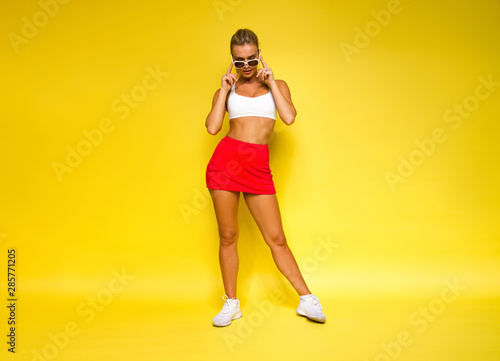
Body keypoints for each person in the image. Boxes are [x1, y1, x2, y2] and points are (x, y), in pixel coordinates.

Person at [205, 28, 326, 327]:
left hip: (257, 166)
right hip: (225, 164)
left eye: (251, 59)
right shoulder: (227, 88)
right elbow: (211, 127)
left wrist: (271, 82)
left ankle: (307, 299)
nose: (246, 67)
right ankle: (231, 303)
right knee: (228, 236)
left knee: (276, 238)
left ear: (260, 54)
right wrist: (222, 91)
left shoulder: (277, 84)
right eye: (239, 61)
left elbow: (288, 117)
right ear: (232, 60)